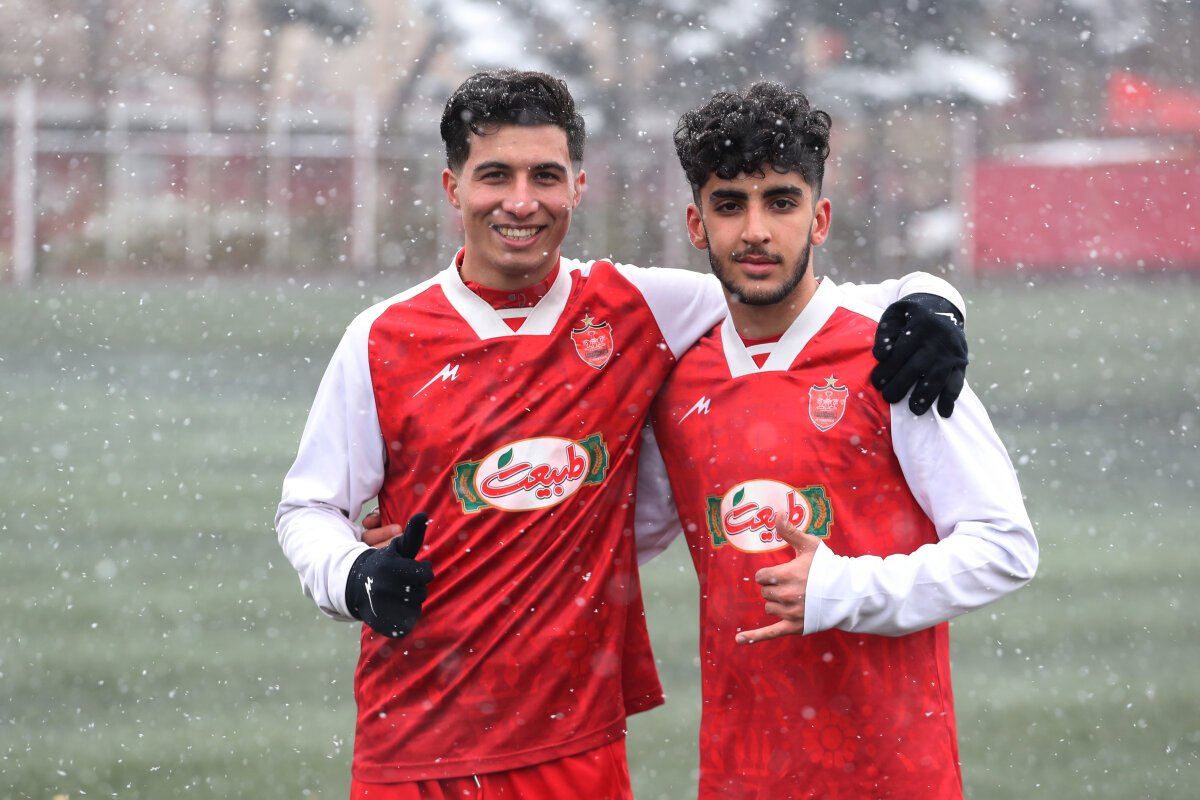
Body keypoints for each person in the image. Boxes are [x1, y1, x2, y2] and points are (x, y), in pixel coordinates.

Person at [276, 69, 971, 799]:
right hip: (415, 745)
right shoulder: (382, 339)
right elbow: (309, 507)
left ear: (578, 186)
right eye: (495, 176)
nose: (521, 201)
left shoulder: (638, 308)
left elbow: (785, 290)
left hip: (579, 745)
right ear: (454, 188)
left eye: (546, 176)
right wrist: (352, 576)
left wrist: (929, 299)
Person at [646, 81, 1039, 799]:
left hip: (893, 774)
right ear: (696, 225)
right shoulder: (676, 381)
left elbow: (1005, 546)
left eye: (781, 202)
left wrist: (846, 588)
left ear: (820, 218)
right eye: (730, 205)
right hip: (740, 775)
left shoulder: (897, 355)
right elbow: (609, 535)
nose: (755, 230)